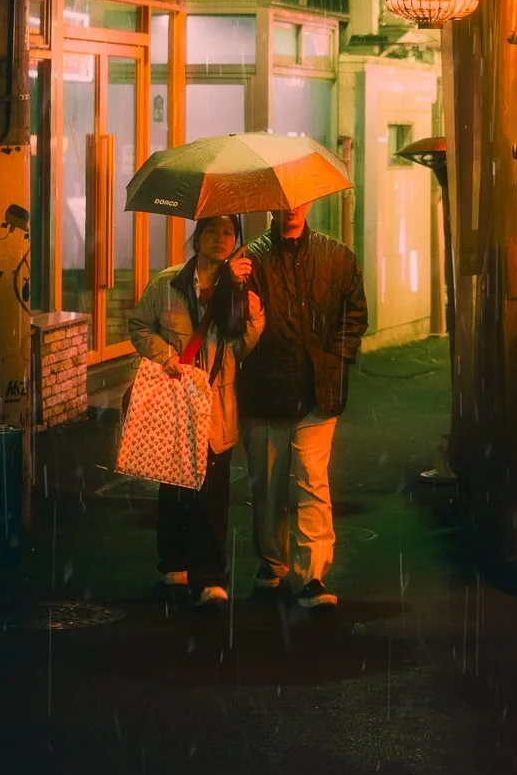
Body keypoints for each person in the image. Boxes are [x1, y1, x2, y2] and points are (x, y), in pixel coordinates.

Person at [128, 215, 264, 606]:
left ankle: (210, 578)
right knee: (172, 488)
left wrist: (246, 304)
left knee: (211, 491)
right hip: (173, 401)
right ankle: (174, 567)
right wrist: (165, 355)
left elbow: (242, 348)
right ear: (197, 236)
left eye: (228, 233)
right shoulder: (167, 283)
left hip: (216, 403)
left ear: (236, 241)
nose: (220, 239)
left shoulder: (238, 288)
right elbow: (139, 326)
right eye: (211, 230)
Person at [238, 201, 367, 608]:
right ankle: (272, 563)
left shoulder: (337, 256)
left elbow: (354, 315)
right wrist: (231, 284)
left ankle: (312, 574)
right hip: (265, 387)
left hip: (318, 386)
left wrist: (335, 361)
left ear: (310, 200)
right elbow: (231, 324)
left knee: (312, 478)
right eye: (282, 199)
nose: (292, 207)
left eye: (299, 198)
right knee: (269, 482)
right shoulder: (250, 260)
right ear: (272, 204)